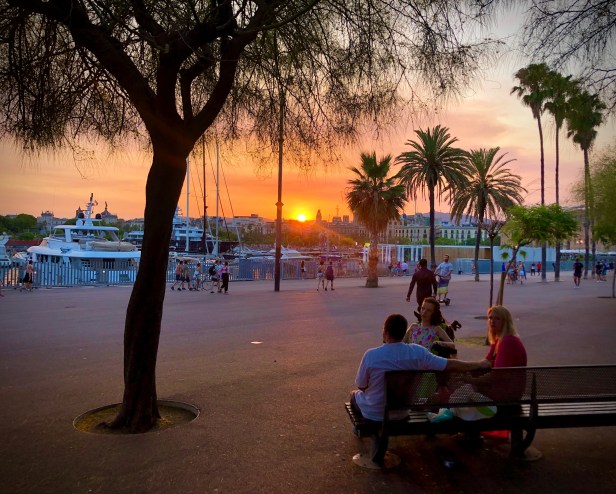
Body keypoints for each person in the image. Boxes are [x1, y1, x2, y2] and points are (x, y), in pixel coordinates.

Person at [350, 313, 491, 422]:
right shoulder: (417, 353)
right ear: (403, 333)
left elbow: (361, 385)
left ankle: (360, 430)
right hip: (402, 412)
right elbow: (449, 364)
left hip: (375, 414)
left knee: (353, 395)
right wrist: (479, 364)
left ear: (385, 332)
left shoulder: (371, 355)